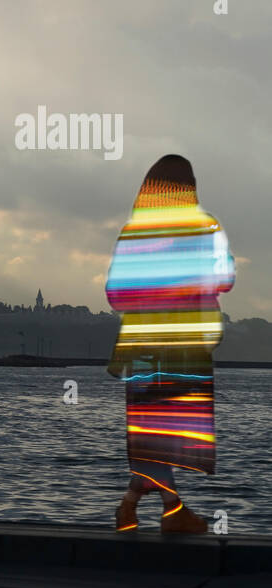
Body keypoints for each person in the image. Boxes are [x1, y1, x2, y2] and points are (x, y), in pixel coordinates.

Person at [106, 155, 233, 533]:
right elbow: (224, 278)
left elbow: (115, 294)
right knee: (167, 438)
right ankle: (168, 510)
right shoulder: (206, 227)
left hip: (144, 352)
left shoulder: (134, 234)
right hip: (186, 348)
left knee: (155, 437)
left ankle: (140, 508)